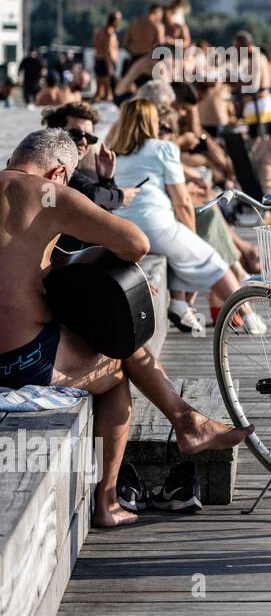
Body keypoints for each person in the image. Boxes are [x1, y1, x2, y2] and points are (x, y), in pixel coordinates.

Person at [1, 129, 252, 526]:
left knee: (110, 344)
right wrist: (100, 257)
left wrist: (72, 262)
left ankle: (188, 422)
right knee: (117, 366)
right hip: (21, 361)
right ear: (59, 172)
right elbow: (135, 243)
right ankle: (107, 502)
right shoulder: (47, 193)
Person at [109, 98, 264, 336]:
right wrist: (193, 236)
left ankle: (180, 304)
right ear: (151, 122)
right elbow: (182, 200)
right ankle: (250, 318)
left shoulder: (117, 154)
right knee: (215, 263)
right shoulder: (163, 148)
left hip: (124, 229)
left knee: (182, 256)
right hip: (156, 225)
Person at [41, 102, 139, 215]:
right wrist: (121, 197)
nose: (83, 142)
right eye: (75, 134)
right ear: (55, 132)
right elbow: (92, 195)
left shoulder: (77, 170)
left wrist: (106, 180)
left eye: (89, 137)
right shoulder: (50, 163)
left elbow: (103, 212)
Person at [92, 11, 122, 102]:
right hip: (106, 62)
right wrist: (109, 66)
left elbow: (96, 47)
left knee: (99, 91)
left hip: (99, 61)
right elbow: (107, 51)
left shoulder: (99, 31)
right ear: (115, 21)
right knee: (109, 92)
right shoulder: (109, 33)